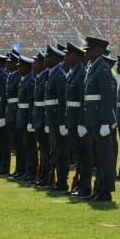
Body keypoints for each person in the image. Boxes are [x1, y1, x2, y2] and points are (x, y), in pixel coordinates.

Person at [82, 36, 117, 202]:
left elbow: (107, 96)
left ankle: (105, 191)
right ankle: (98, 188)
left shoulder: (102, 67)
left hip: (100, 119)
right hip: (93, 118)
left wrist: (105, 121)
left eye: (89, 50)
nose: (86, 53)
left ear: (98, 51)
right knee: (97, 156)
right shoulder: (93, 66)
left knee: (104, 157)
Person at [64, 42, 92, 196]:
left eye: (68, 55)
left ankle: (85, 186)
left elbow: (83, 100)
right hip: (72, 120)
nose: (66, 57)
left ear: (76, 57)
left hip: (78, 121)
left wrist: (82, 122)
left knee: (84, 155)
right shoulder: (73, 72)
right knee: (78, 156)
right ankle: (80, 185)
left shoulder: (81, 73)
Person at [43, 45, 69, 191]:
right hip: (52, 120)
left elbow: (62, 101)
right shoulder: (52, 73)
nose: (45, 60)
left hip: (58, 121)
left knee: (61, 152)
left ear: (56, 59)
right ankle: (58, 179)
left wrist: (62, 122)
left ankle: (62, 181)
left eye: (48, 57)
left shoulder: (59, 75)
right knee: (56, 150)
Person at [11, 52, 37, 181]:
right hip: (20, 115)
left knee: (30, 147)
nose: (18, 68)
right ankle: (21, 169)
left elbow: (32, 103)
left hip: (27, 117)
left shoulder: (31, 81)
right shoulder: (24, 79)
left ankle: (31, 171)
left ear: (28, 67)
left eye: (21, 66)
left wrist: (31, 121)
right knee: (20, 146)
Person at [0, 51, 21, 177]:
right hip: (10, 111)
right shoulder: (11, 75)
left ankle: (21, 169)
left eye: (9, 62)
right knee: (9, 142)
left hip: (16, 112)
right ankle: (16, 169)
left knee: (19, 145)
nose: (7, 64)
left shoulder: (18, 76)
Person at [30, 51, 49, 185]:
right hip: (38, 117)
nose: (33, 65)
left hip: (45, 118)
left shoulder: (47, 76)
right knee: (42, 149)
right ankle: (41, 175)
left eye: (36, 62)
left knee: (46, 150)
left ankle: (46, 176)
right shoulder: (39, 77)